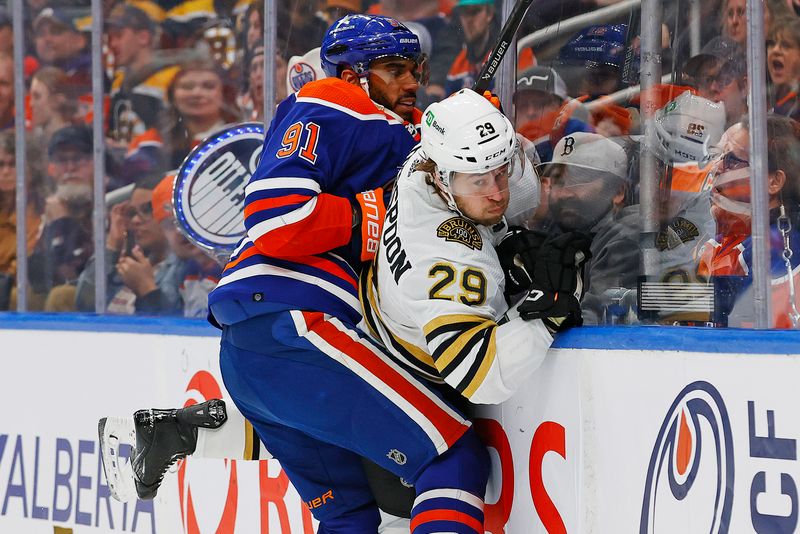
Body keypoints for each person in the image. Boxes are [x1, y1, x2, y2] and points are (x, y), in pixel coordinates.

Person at [136, 15, 493, 534]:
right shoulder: (332, 100)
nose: (412, 81)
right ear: (352, 75)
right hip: (296, 320)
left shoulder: (384, 130)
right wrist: (369, 213)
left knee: (347, 516)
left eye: (415, 68)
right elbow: (278, 214)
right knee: (451, 456)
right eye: (394, 69)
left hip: (251, 351)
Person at [698, 114, 800, 328]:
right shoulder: (729, 239)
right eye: (719, 157)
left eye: (732, 160)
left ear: (774, 181)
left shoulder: (779, 248)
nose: (717, 169)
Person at [539, 132, 637, 324]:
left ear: (619, 192)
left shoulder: (626, 237)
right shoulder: (559, 235)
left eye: (579, 180)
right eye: (558, 181)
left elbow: (596, 323)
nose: (564, 193)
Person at [75, 173, 184, 315]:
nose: (135, 220)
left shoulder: (182, 268)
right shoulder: (126, 264)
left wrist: (147, 289)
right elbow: (84, 304)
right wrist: (112, 245)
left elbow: (176, 330)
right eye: (132, 212)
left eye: (148, 210)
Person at [28, 125, 95, 310]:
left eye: (78, 159)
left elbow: (74, 274)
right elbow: (37, 277)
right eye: (62, 160)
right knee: (23, 295)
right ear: (52, 168)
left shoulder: (110, 204)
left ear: (95, 162)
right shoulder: (49, 207)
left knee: (63, 296)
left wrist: (62, 222)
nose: (70, 168)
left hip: (103, 302)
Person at [106, 4, 179, 151]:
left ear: (143, 37)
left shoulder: (172, 77)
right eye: (110, 38)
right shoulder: (119, 80)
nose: (112, 44)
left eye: (119, 36)